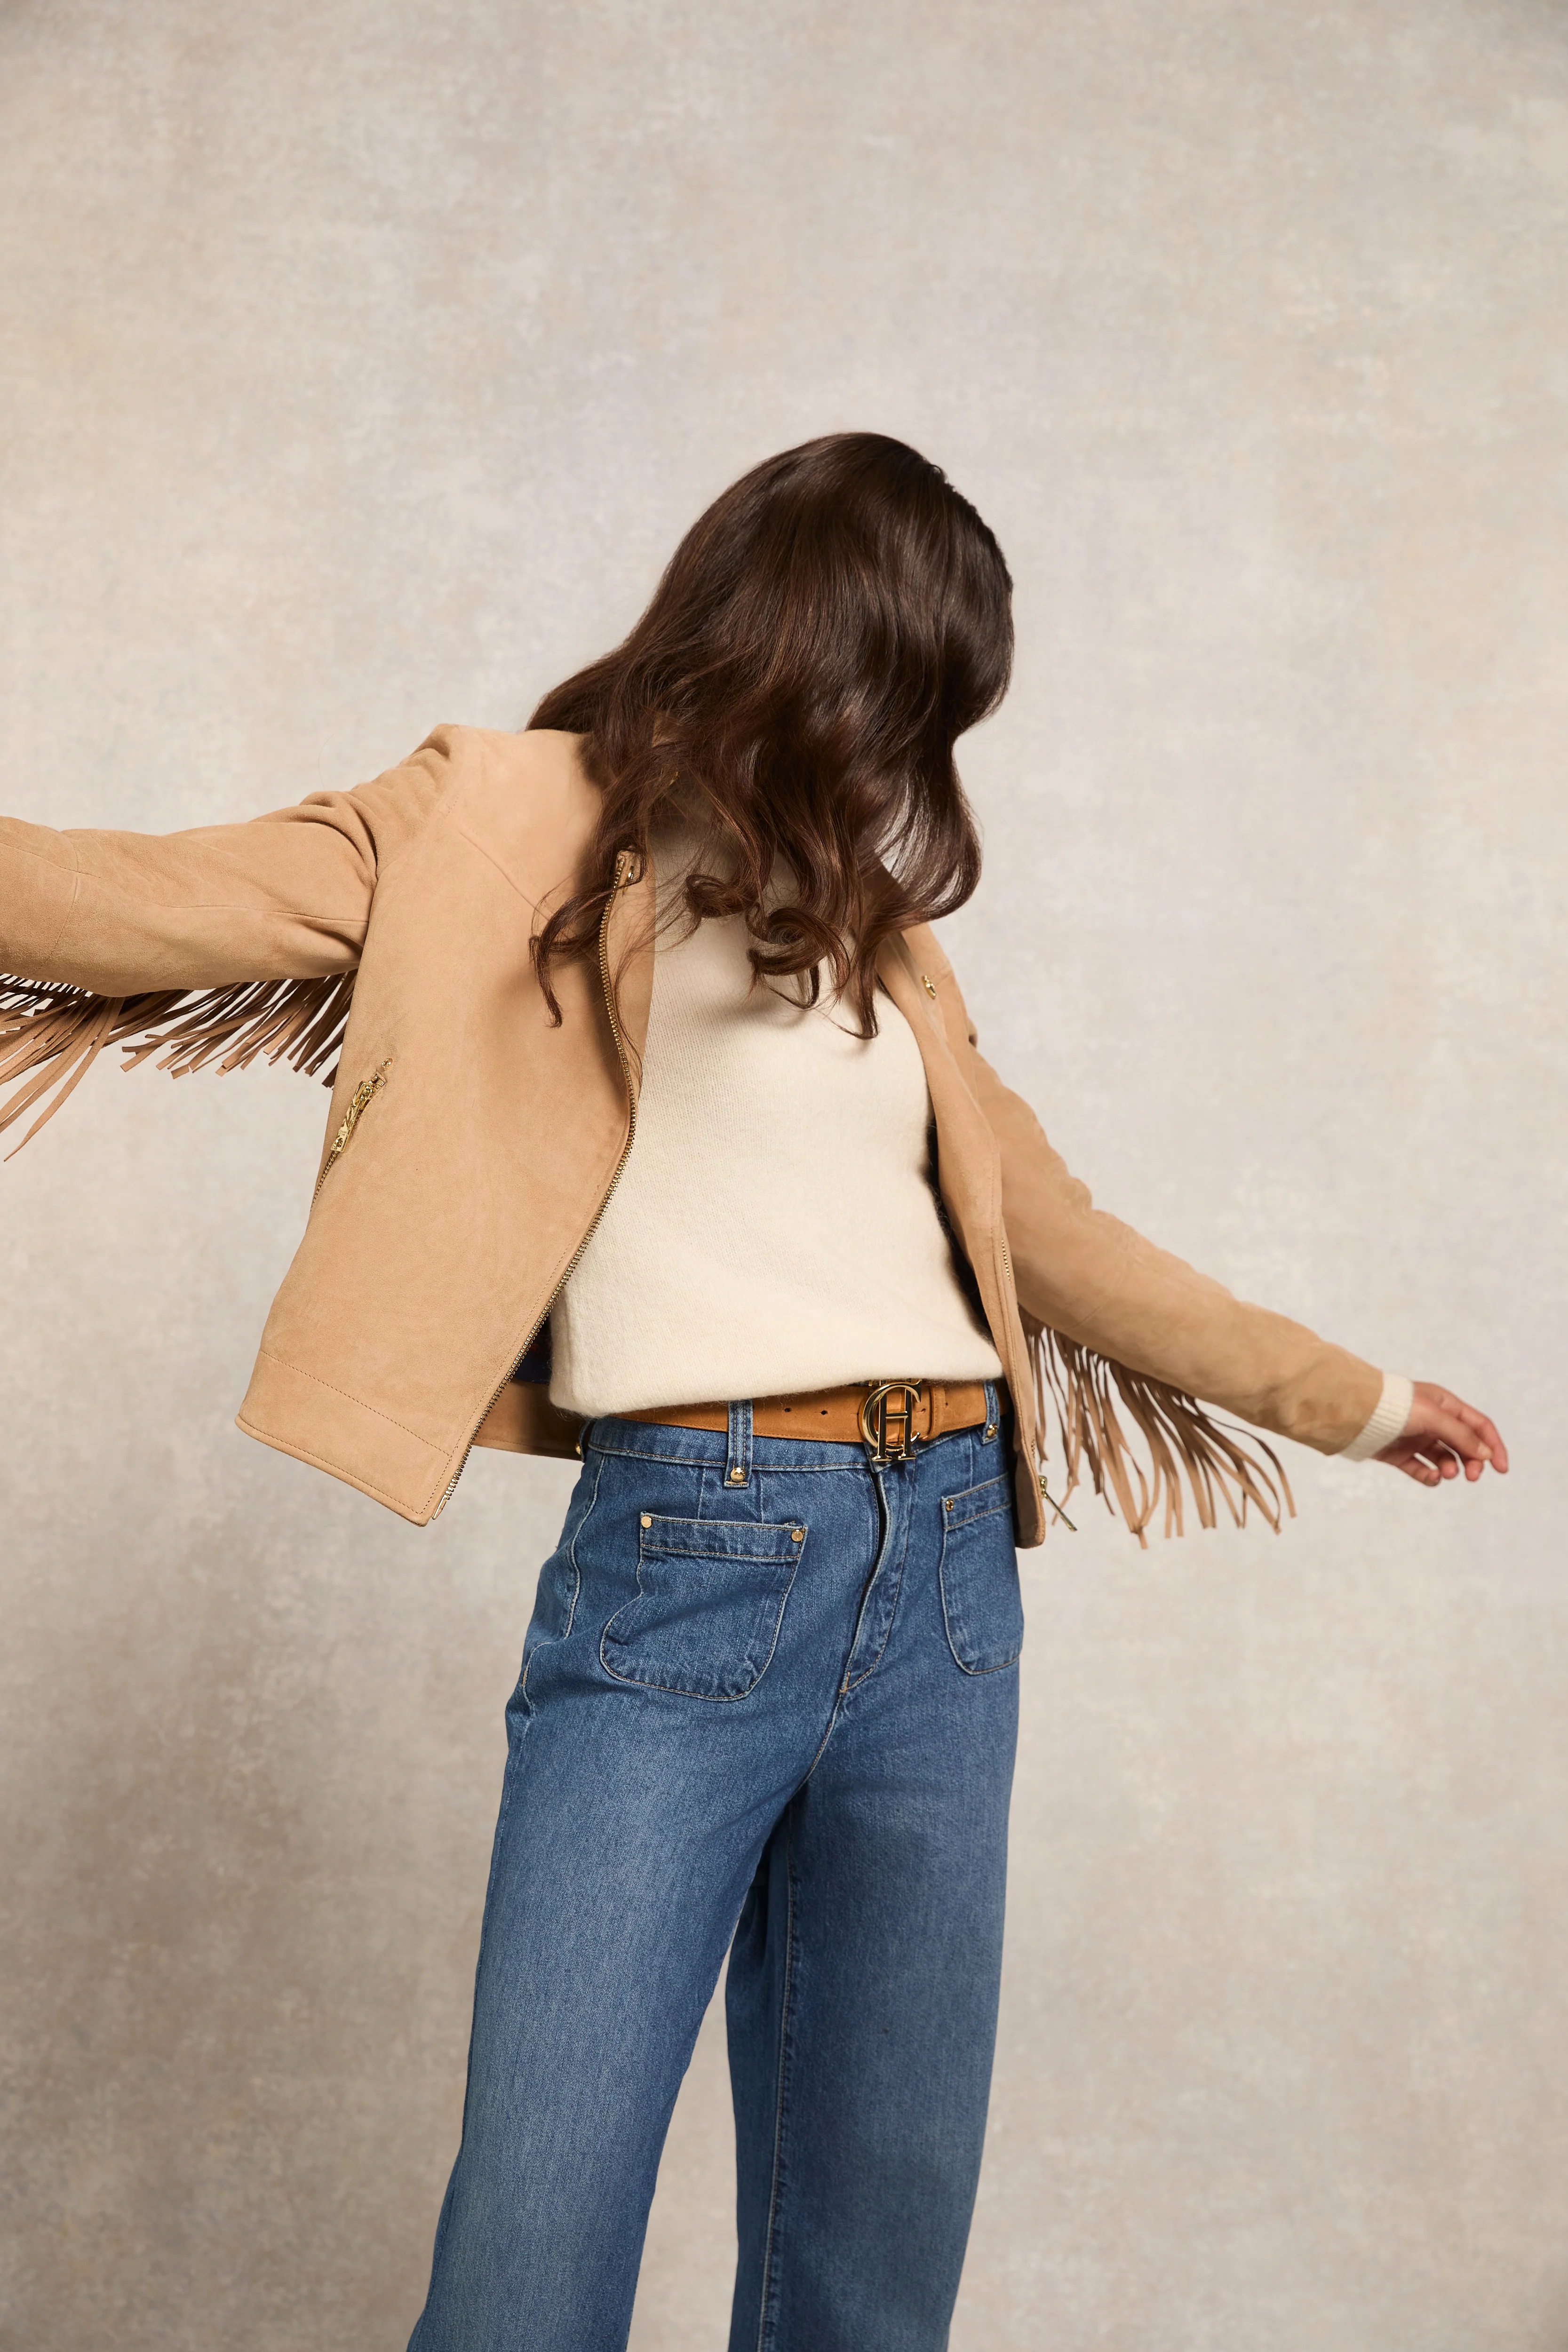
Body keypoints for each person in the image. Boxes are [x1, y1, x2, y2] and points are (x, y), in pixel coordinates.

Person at [0, 433, 1506, 2352]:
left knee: (869, 2256)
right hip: (689, 1555)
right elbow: (127, 899)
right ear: (809, 638)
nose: (904, 751)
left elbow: (1051, 1230)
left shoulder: (883, 940)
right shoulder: (488, 819)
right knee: (533, 2245)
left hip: (948, 1576)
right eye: (900, 691)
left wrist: (1356, 1397)